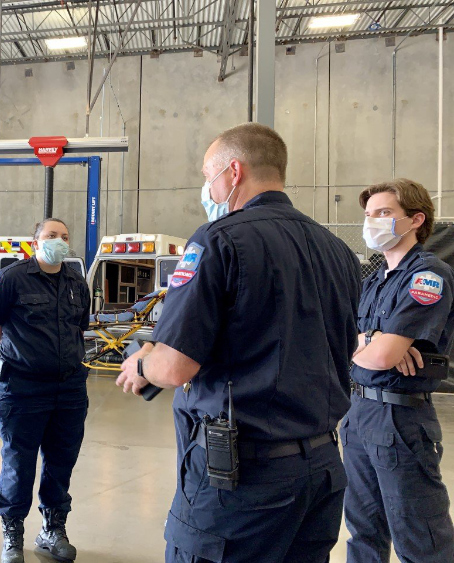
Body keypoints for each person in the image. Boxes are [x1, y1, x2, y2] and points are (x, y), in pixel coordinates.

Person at [117, 123, 361, 563]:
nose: (207, 190)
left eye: (208, 178)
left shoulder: (218, 240)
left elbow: (174, 367)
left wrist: (140, 366)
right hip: (323, 469)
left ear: (233, 172)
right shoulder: (337, 250)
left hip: (243, 480)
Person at [343, 179, 454, 562]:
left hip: (400, 418)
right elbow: (346, 339)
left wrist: (374, 345)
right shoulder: (373, 281)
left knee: (418, 533)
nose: (372, 222)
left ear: (415, 219)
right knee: (363, 529)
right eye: (369, 215)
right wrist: (371, 340)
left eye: (384, 213)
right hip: (358, 413)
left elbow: (382, 357)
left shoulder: (427, 276)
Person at [0, 218, 90, 563]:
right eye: (52, 236)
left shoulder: (76, 282)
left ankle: (52, 529)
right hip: (22, 387)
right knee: (18, 462)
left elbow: (79, 328)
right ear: (35, 241)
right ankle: (13, 532)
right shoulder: (12, 278)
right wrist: (22, 349)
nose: (59, 241)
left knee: (61, 462)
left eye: (65, 237)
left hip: (69, 387)